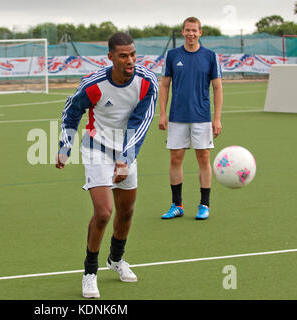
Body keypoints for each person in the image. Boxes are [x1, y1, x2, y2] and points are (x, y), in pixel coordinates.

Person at [56, 32, 158, 298]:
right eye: (123, 56)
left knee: (126, 212)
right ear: (110, 57)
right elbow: (72, 111)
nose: (130, 60)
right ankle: (90, 272)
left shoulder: (147, 82)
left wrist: (126, 157)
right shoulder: (94, 84)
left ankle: (116, 259)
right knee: (103, 213)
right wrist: (64, 146)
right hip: (96, 149)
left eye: (133, 54)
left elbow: (141, 122)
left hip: (126, 149)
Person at [159, 17, 223, 220]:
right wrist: (162, 113)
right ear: (183, 31)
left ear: (200, 32)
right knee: (175, 159)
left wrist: (217, 118)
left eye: (194, 30)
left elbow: (217, 87)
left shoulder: (210, 56)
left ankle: (204, 205)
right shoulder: (172, 55)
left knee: (203, 158)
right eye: (187, 30)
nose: (191, 34)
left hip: (202, 117)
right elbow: (165, 85)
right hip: (177, 117)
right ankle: (177, 205)